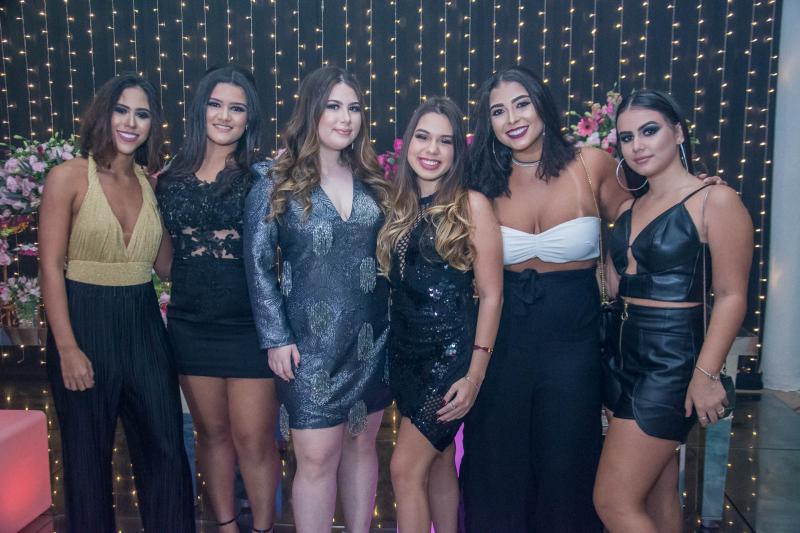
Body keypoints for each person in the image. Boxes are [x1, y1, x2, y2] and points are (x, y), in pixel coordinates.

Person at [459, 65, 629, 532]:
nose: (512, 118)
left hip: (573, 339)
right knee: (498, 462)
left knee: (567, 460)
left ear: (542, 105)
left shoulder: (591, 164)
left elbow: (641, 213)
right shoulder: (480, 178)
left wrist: (695, 194)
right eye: (498, 111)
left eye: (521, 104)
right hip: (501, 338)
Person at [39, 74, 195, 532]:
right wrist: (67, 348)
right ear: (103, 115)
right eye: (121, 110)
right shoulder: (68, 177)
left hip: (144, 326)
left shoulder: (151, 185)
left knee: (166, 450)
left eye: (142, 114)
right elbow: (50, 267)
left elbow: (166, 266)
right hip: (83, 325)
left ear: (152, 125)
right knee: (87, 461)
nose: (131, 122)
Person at [593, 89, 752, 532]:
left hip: (670, 361)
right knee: (657, 488)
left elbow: (732, 295)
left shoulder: (715, 200)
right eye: (627, 137)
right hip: (621, 355)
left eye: (649, 131)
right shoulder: (629, 207)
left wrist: (705, 374)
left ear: (678, 132)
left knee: (612, 501)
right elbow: (610, 285)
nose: (638, 145)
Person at [243, 65, 392, 533]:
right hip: (307, 346)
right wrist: (275, 337)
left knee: (362, 447)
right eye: (333, 106)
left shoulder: (374, 180)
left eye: (354, 108)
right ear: (311, 110)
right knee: (315, 458)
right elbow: (257, 263)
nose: (345, 118)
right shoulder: (275, 180)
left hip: (370, 340)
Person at [156, 65, 280, 533]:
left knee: (254, 439)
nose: (224, 116)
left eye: (237, 108)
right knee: (211, 435)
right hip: (191, 325)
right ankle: (225, 527)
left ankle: (263, 528)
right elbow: (164, 262)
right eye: (215, 104)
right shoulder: (168, 180)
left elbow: (278, 255)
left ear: (250, 119)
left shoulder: (263, 178)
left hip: (250, 328)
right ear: (200, 109)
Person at [376, 97, 503, 533]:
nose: (432, 149)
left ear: (456, 152)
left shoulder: (472, 204)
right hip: (405, 358)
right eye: (423, 137)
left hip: (447, 363)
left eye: (445, 141)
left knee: (404, 470)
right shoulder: (399, 204)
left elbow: (492, 296)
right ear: (408, 143)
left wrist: (474, 376)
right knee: (441, 461)